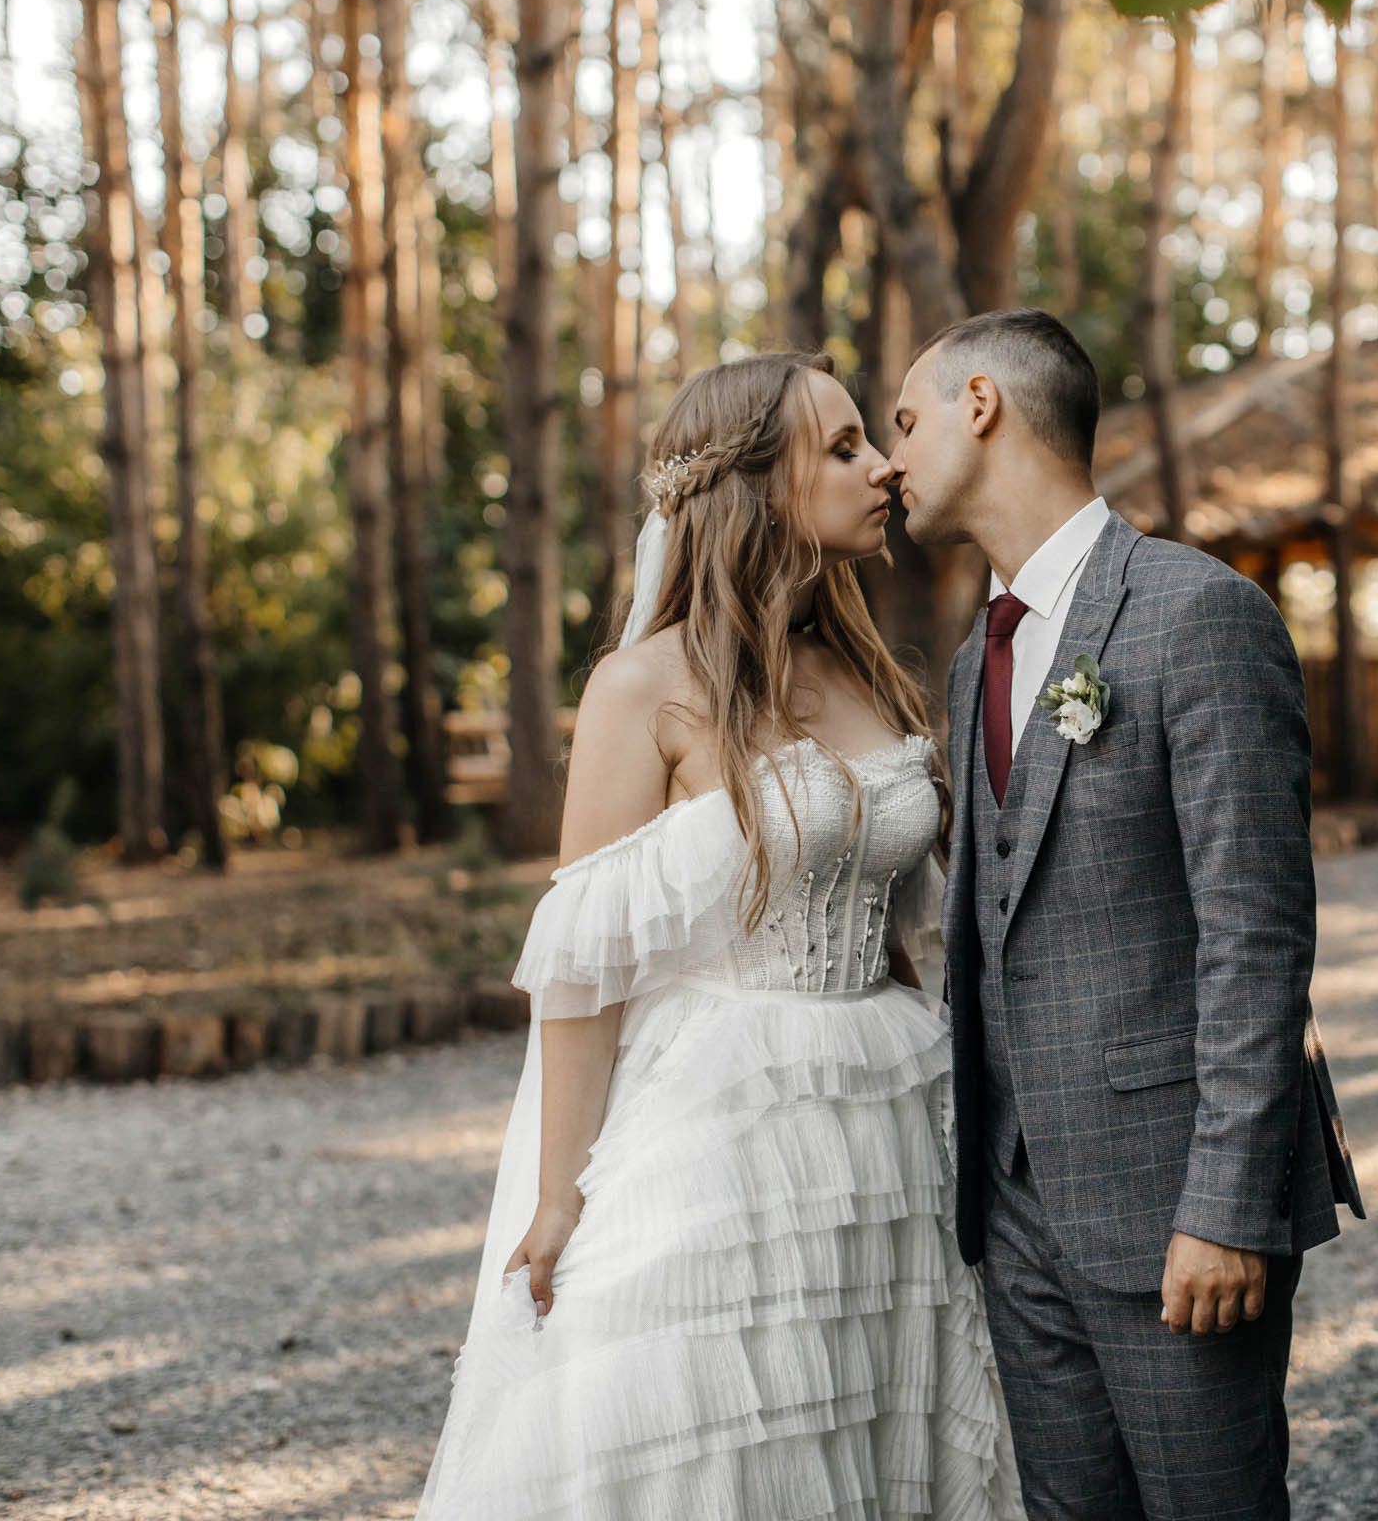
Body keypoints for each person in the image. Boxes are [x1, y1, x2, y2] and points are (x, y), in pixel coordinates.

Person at [415, 352, 1021, 1520]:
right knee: (715, 1435)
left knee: (868, 1418)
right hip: (717, 1124)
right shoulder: (641, 689)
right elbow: (582, 970)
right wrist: (558, 1196)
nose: (883, 466)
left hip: (887, 1113)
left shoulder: (867, 671)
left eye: (871, 440)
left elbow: (920, 919)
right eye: (843, 446)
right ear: (756, 484)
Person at [886, 308, 1363, 1521]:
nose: (890, 460)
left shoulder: (1197, 615)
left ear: (981, 403)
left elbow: (1257, 939)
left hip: (1174, 1209)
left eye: (904, 420)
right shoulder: (970, 659)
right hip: (1014, 1208)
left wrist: (1225, 1205)